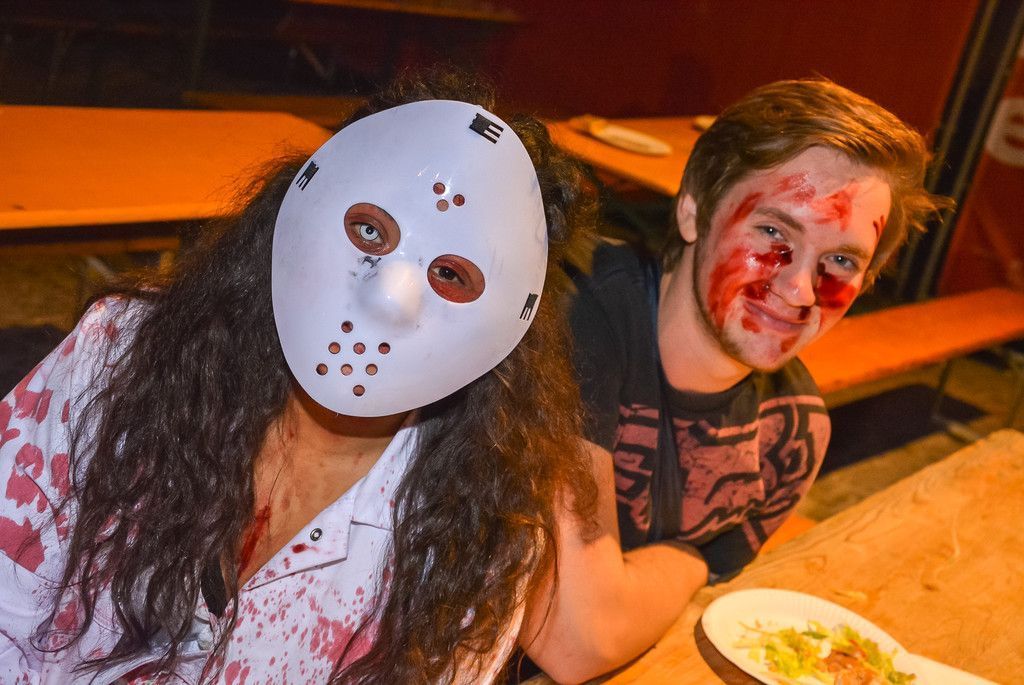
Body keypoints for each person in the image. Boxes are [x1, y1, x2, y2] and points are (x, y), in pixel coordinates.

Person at [0, 75, 601, 684]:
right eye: (370, 232)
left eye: (451, 274)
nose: (389, 298)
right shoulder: (119, 357)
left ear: (508, 326)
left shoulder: (478, 536)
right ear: (303, 204)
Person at [565, 78, 950, 628]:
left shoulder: (790, 436)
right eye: (772, 231)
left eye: (842, 261)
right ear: (694, 209)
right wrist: (689, 563)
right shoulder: (573, 317)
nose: (800, 289)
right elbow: (583, 633)